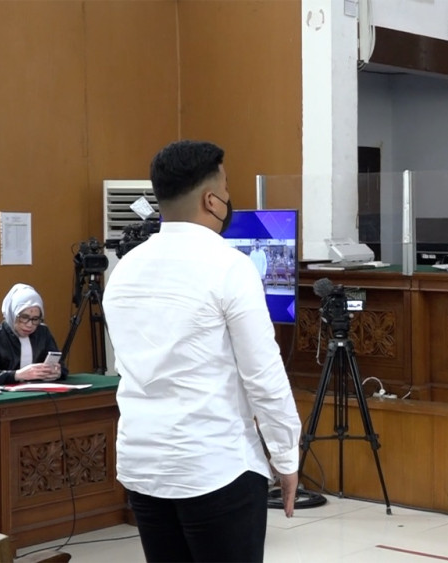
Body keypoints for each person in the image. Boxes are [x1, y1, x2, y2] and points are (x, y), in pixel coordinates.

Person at [103, 140, 301, 563]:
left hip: (143, 464)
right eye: (226, 188)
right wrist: (286, 455)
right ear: (212, 200)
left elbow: (127, 365)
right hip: (215, 466)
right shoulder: (230, 266)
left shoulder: (123, 270)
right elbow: (263, 374)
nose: (228, 197)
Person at [0, 283, 65, 385]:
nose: (29, 325)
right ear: (12, 313)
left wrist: (58, 372)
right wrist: (17, 375)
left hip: (39, 391)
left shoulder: (43, 332)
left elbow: (61, 366)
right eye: (24, 317)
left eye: (35, 319)